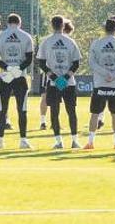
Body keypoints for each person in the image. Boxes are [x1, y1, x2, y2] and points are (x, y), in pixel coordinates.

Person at [37, 15, 82, 149]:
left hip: (54, 82)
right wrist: (65, 78)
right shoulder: (70, 42)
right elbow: (76, 63)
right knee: (71, 111)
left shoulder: (46, 42)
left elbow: (41, 62)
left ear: (52, 25)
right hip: (68, 82)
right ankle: (74, 141)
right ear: (63, 26)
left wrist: (55, 78)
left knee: (54, 112)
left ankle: (58, 141)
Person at [0, 13, 35, 149]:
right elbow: (29, 59)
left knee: (2, 109)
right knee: (22, 109)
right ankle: (23, 140)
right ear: (19, 23)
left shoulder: (0, 36)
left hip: (5, 76)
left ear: (7, 23)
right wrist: (17, 69)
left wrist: (8, 68)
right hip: (20, 76)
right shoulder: (26, 36)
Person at [85, 18, 115, 150]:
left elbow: (92, 62)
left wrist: (104, 73)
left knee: (95, 113)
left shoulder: (96, 44)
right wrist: (113, 73)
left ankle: (90, 142)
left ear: (105, 29)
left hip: (100, 84)